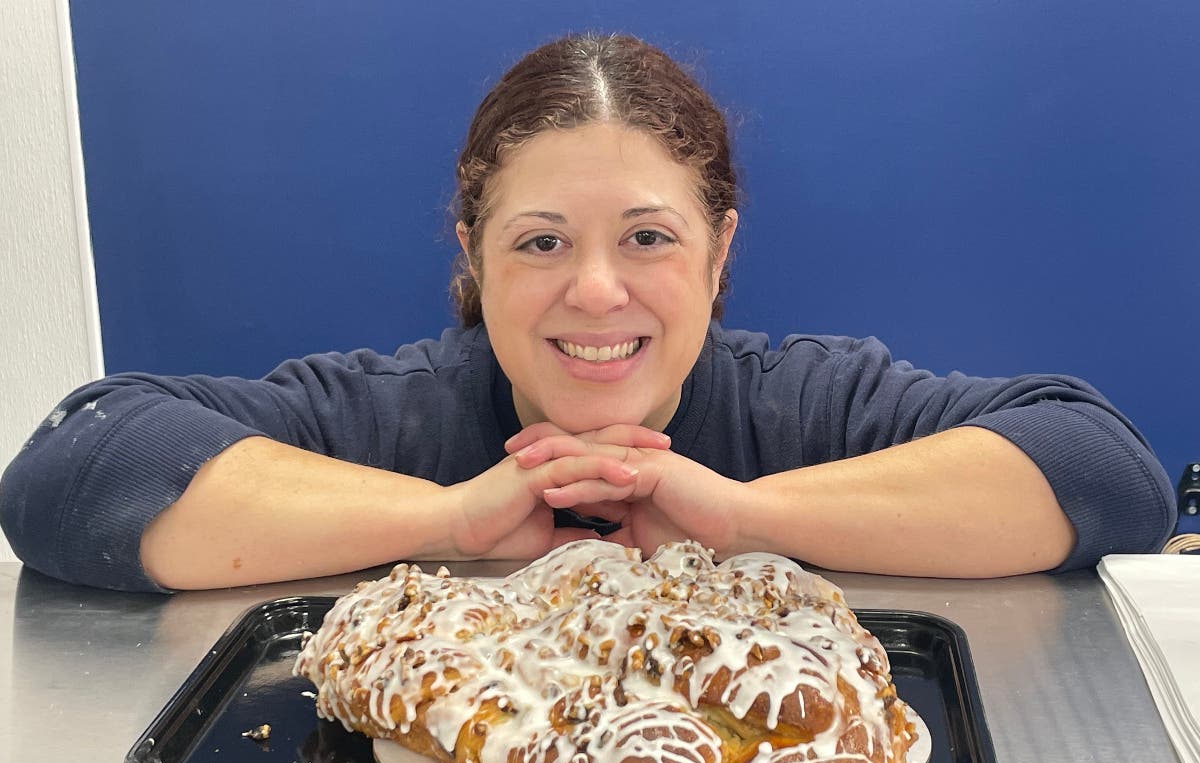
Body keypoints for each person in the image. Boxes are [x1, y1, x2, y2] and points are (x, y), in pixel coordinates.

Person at [0, 34, 1175, 592]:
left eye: (650, 238)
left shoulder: (805, 400)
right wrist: (456, 521)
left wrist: (741, 515)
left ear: (721, 251)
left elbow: (1103, 470)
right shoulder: (395, 414)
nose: (597, 291)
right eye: (542, 242)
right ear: (474, 254)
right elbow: (79, 467)